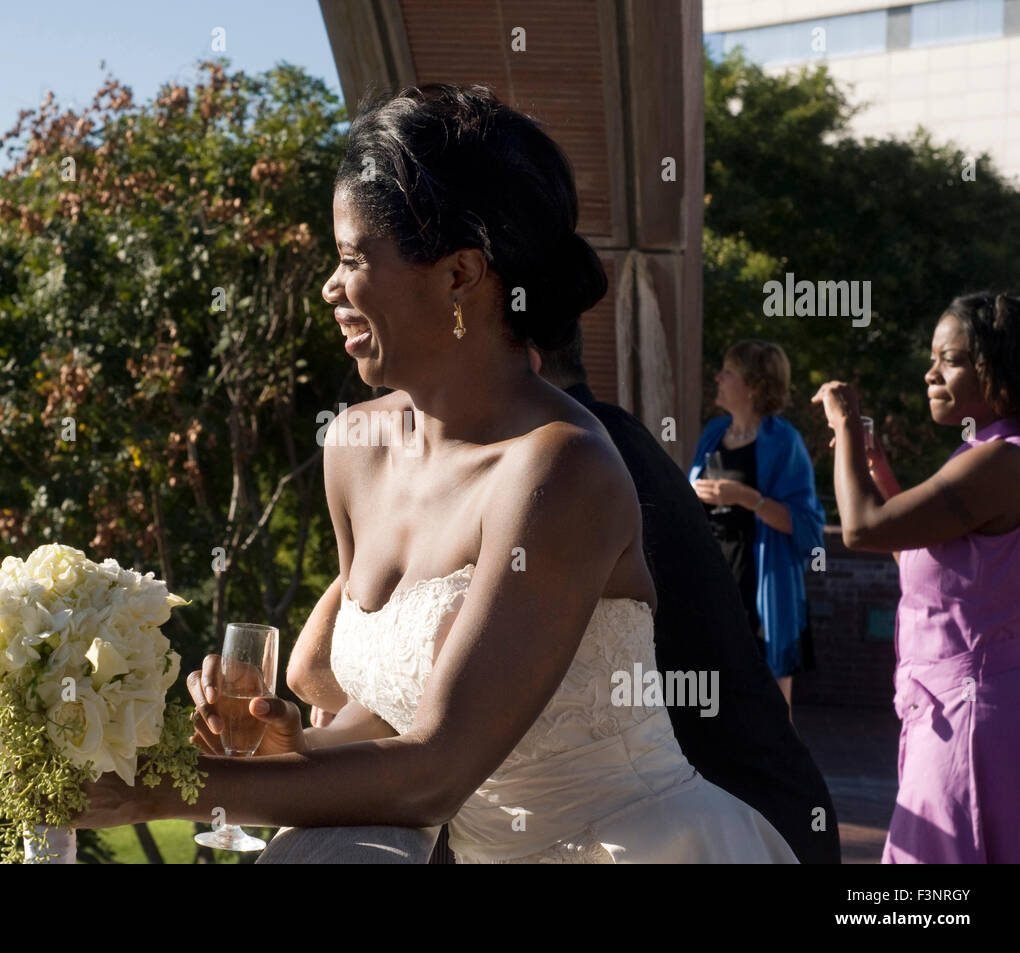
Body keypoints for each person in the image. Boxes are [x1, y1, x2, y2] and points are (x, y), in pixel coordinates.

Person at [76, 83, 797, 862]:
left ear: (459, 276)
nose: (331, 286)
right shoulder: (352, 448)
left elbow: (437, 770)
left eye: (353, 258)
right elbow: (388, 714)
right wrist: (296, 746)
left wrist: (167, 786)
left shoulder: (563, 469)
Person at [283, 324, 839, 864]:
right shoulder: (576, 450)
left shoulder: (565, 468)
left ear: (523, 361)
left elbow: (337, 683)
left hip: (721, 821)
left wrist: (219, 783)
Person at [812, 292, 1020, 864]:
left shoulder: (1001, 459)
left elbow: (860, 529)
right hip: (951, 713)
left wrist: (846, 424)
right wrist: (877, 468)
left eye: (948, 359)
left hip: (973, 725)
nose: (930, 373)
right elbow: (921, 558)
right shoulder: (984, 454)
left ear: (996, 367)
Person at [689, 341, 825, 719]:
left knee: (770, 708)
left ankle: (776, 776)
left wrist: (747, 498)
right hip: (714, 578)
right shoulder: (714, 433)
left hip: (762, 581)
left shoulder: (784, 441)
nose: (717, 377)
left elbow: (808, 526)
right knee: (714, 702)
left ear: (752, 385)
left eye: (728, 372)